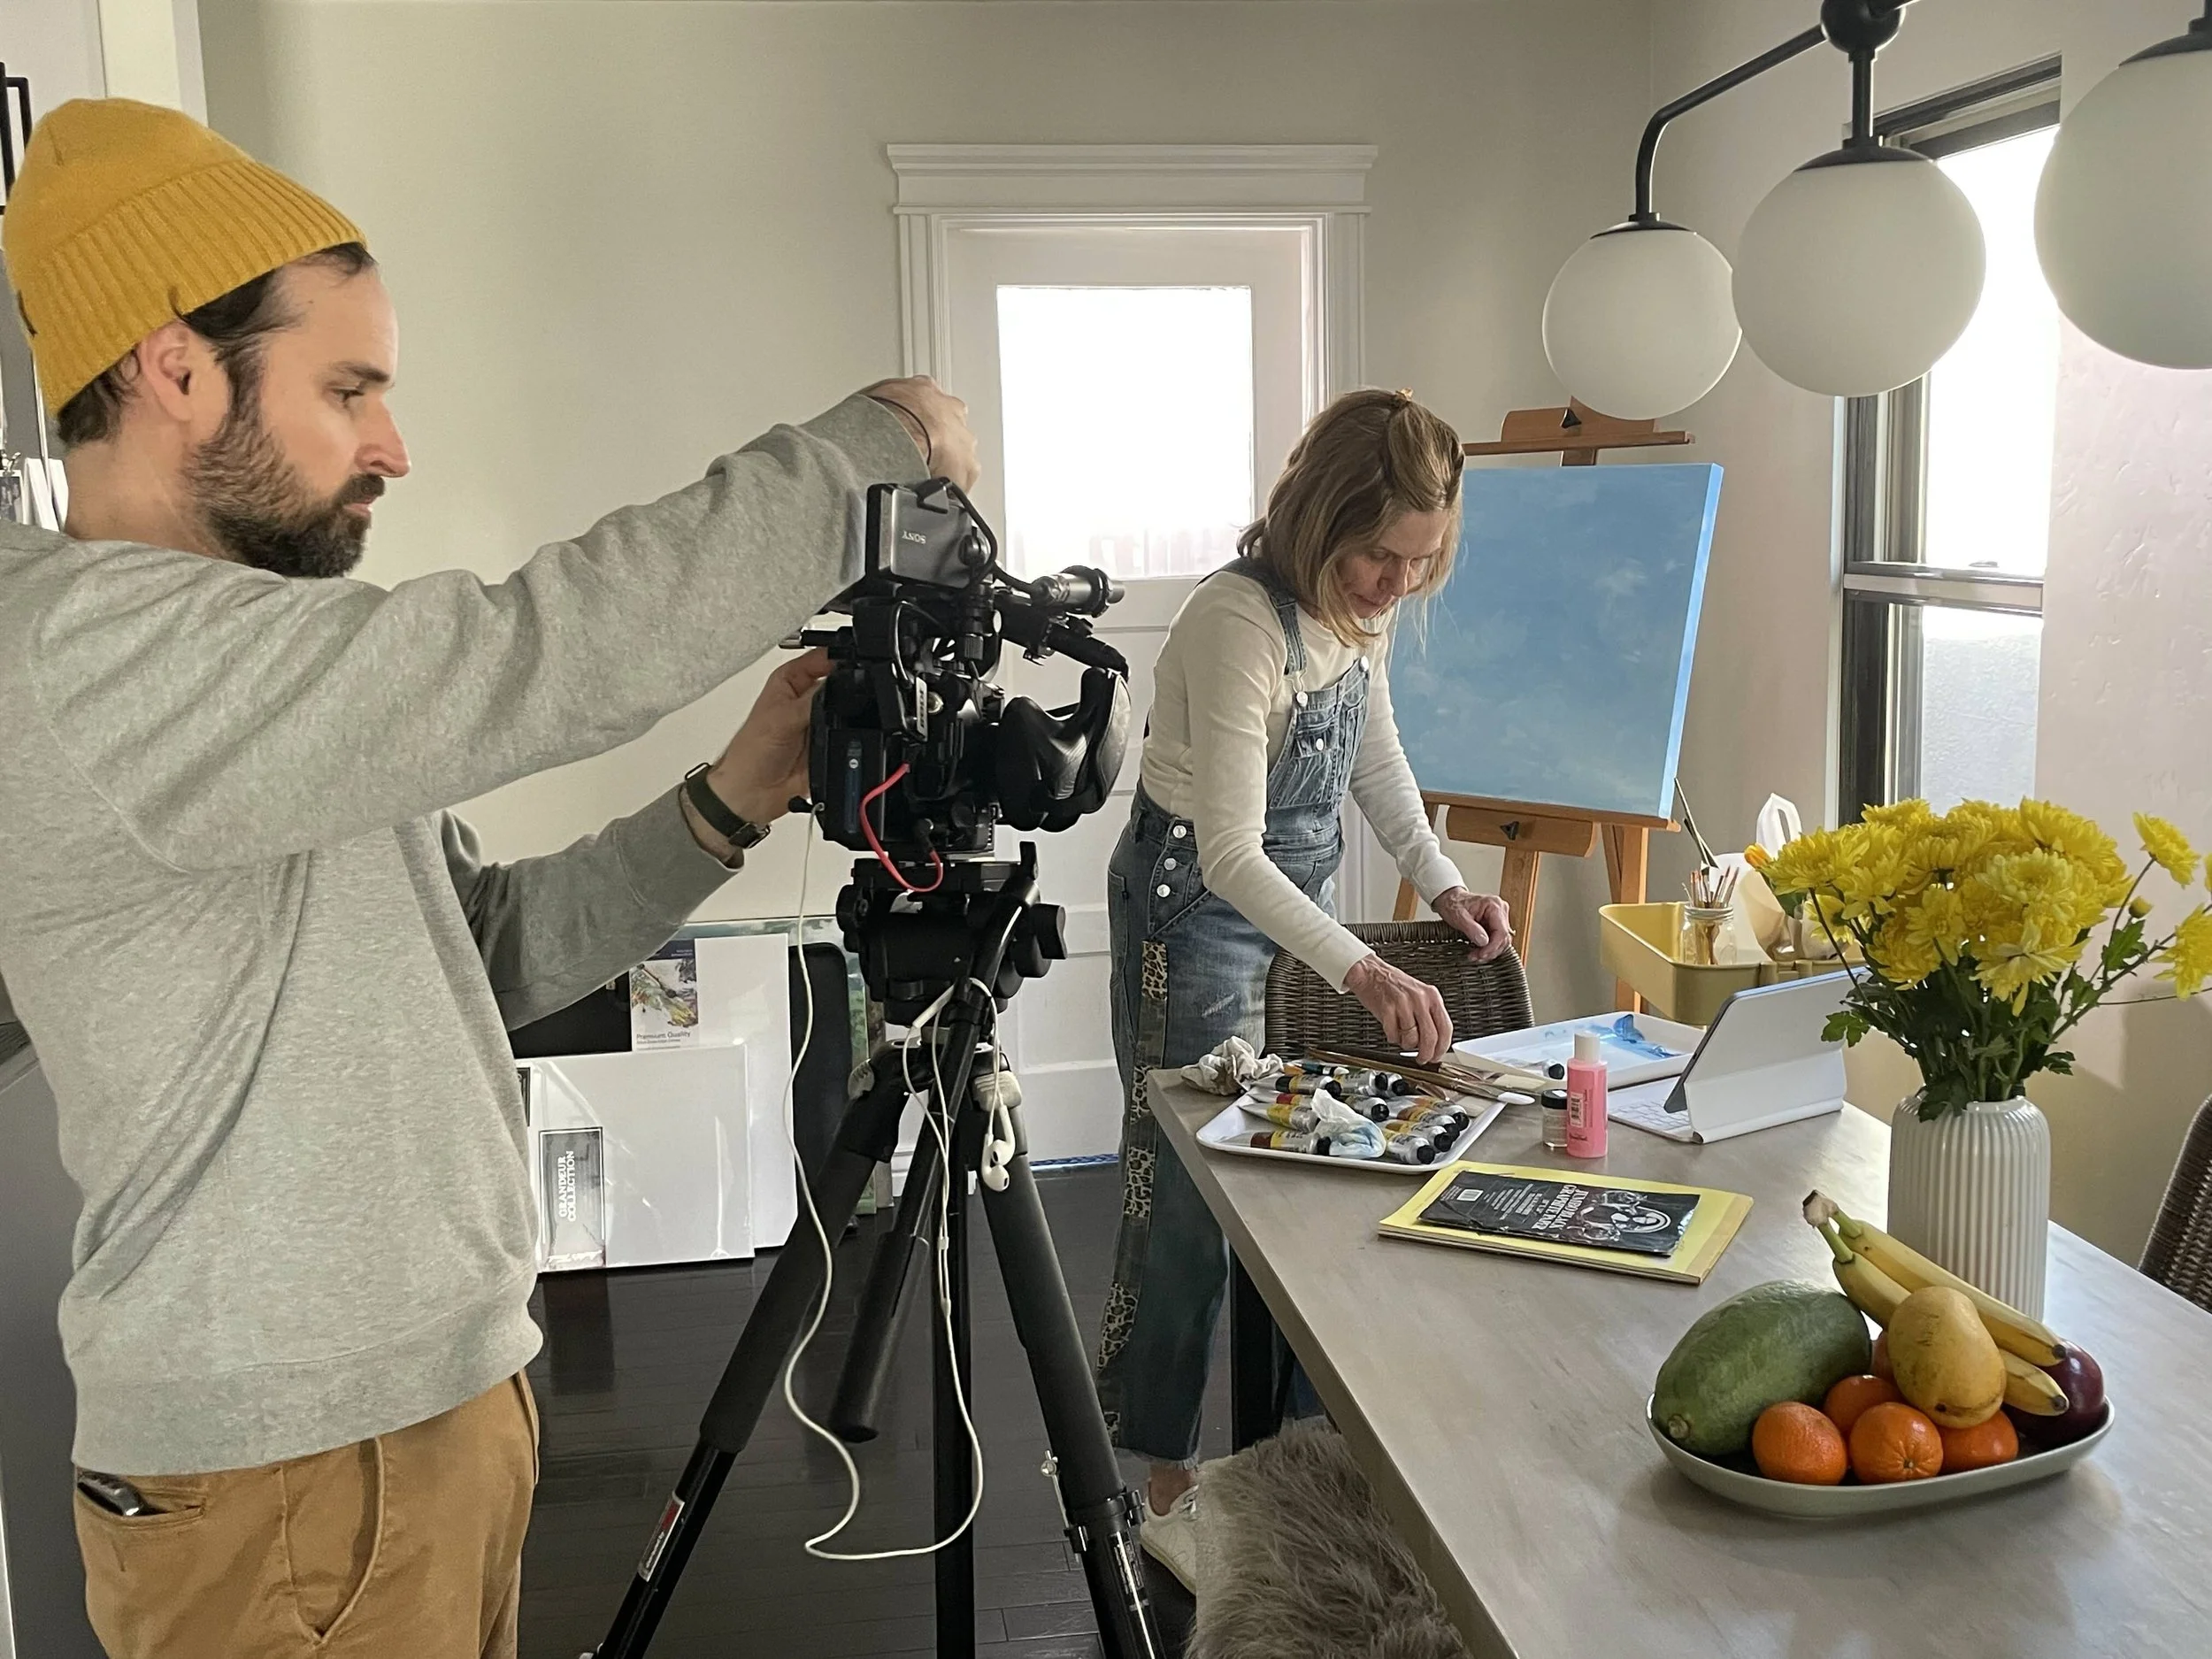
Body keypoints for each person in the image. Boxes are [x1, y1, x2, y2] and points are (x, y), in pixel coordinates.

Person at [0, 98, 976, 1658]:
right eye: (347, 388)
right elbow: (535, 648)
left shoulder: (255, 671)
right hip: (293, 1474)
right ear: (173, 369)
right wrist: (866, 455)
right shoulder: (79, 655)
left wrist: (737, 791)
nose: (393, 444)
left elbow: (488, 951)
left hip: (421, 1417)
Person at [1094, 389, 1512, 1588]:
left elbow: (1376, 764)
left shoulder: (1353, 619)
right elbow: (1229, 849)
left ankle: (1270, 1462)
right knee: (1185, 1200)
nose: (1396, 580)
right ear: (1322, 515)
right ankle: (1165, 1483)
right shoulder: (1239, 622)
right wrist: (1366, 965)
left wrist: (1441, 886)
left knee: (1289, 1195)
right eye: (1381, 552)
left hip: (1299, 923)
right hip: (1197, 917)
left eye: (1421, 560)